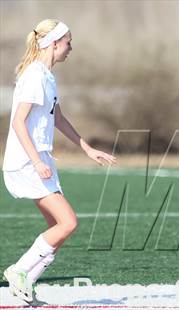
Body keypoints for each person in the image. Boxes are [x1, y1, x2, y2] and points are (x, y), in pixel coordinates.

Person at [2, 19, 116, 305]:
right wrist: (35, 161)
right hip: (28, 162)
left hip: (40, 161)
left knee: (59, 227)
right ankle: (18, 271)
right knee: (68, 223)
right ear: (54, 43)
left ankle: (25, 283)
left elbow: (59, 119)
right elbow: (18, 122)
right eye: (68, 42)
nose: (71, 48)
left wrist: (87, 148)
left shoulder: (47, 76)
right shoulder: (34, 76)